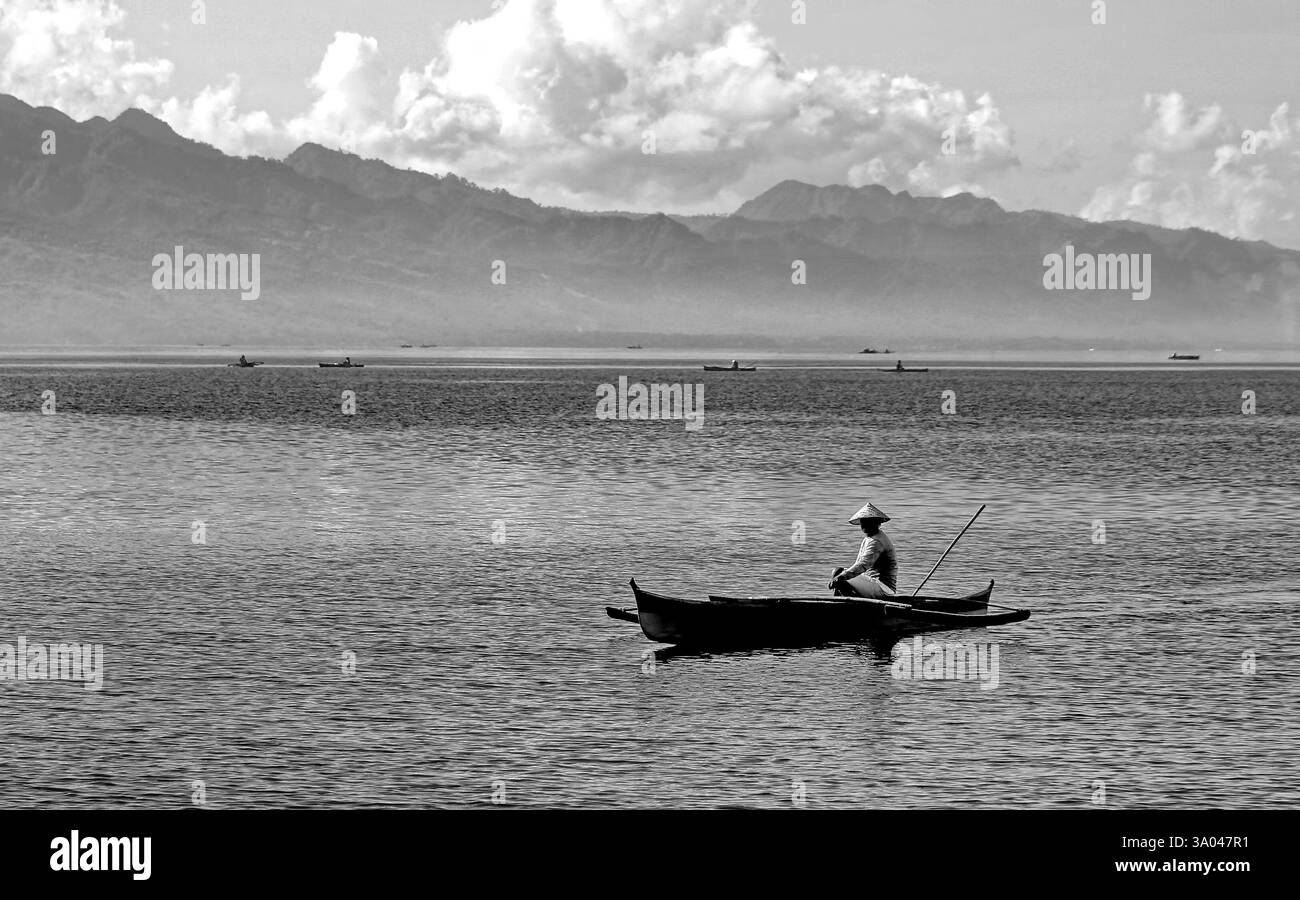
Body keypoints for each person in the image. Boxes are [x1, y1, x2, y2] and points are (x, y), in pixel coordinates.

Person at [830, 502, 898, 599]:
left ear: (877, 523)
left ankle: (845, 604)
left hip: (883, 588)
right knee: (838, 573)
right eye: (863, 522)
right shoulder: (869, 538)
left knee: (839, 575)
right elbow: (859, 565)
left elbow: (863, 565)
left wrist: (841, 577)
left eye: (869, 522)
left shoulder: (876, 541)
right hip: (871, 583)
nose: (865, 525)